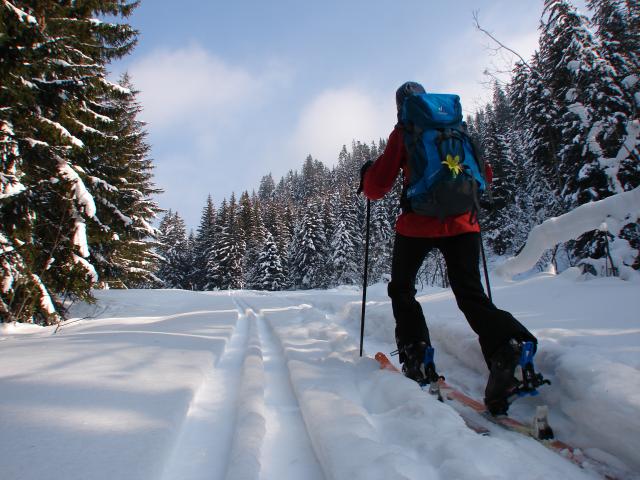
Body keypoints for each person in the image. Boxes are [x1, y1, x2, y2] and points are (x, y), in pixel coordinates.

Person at [359, 81, 538, 415]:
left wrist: (368, 173)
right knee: (471, 293)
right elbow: (484, 174)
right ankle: (508, 344)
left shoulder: (405, 129)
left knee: (402, 290)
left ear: (400, 106)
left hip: (418, 225)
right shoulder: (458, 127)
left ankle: (417, 357)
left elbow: (377, 187)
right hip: (464, 223)